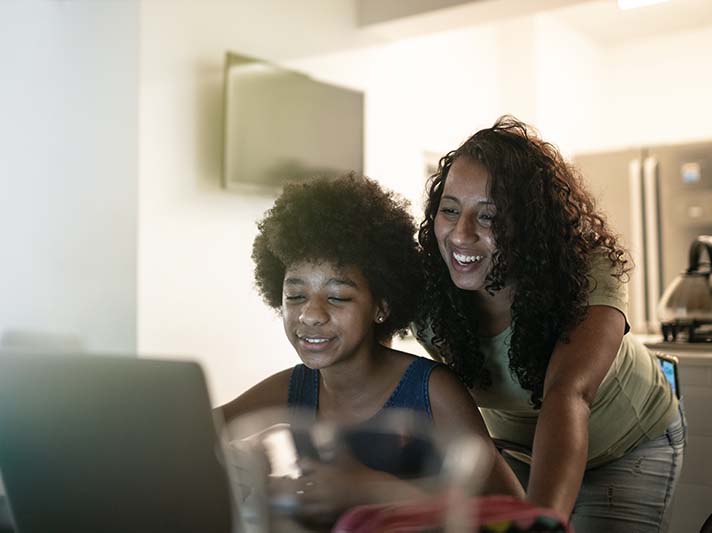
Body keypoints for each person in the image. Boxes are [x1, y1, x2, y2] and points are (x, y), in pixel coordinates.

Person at [414, 116, 685, 532]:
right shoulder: (426, 294)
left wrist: (539, 523)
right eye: (450, 210)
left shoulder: (585, 271)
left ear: (528, 225)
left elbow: (568, 394)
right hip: (514, 452)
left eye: (488, 217)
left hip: (628, 445)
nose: (461, 234)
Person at [219, 173, 523, 524]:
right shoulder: (294, 386)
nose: (311, 315)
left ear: (381, 306)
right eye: (295, 296)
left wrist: (370, 489)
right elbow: (192, 428)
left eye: (338, 297)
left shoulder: (433, 390)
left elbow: (514, 514)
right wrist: (231, 462)